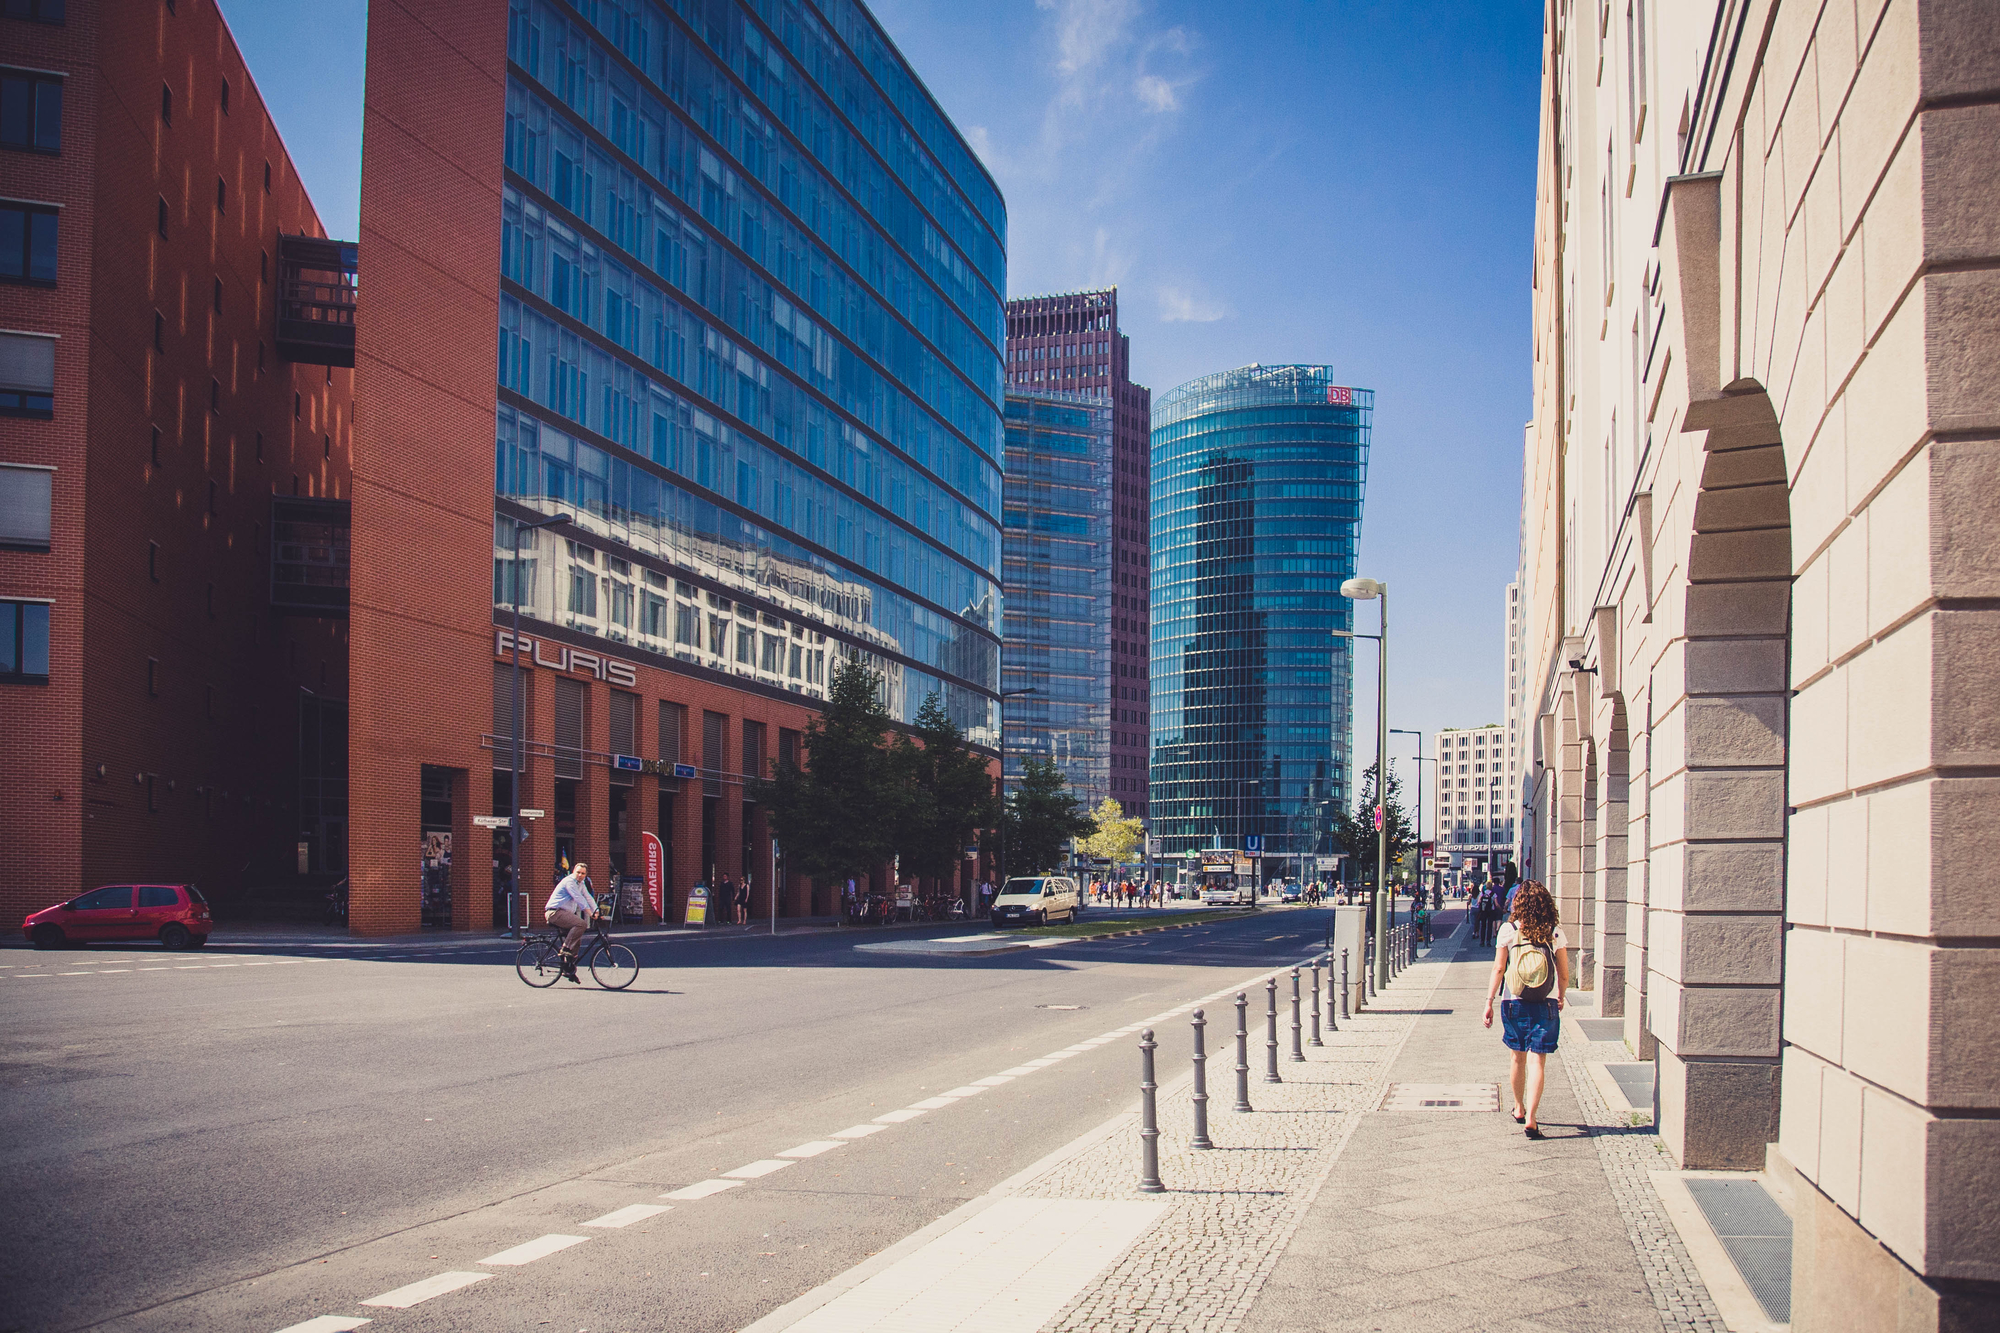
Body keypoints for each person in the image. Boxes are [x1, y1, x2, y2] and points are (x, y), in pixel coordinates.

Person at [1482, 879, 1569, 1137]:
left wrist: (1489, 1002)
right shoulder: (1554, 932)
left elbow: (1499, 968)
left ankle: (1519, 1108)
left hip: (1514, 1000)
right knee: (1537, 1060)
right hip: (1546, 1000)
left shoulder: (1508, 930)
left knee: (1517, 1056)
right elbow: (1563, 973)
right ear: (1545, 904)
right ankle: (1532, 1117)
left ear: (1518, 902)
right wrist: (1561, 995)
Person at [545, 862, 597, 983]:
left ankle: (568, 969)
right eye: (578, 872)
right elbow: (579, 898)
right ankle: (565, 949)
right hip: (555, 912)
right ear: (573, 871)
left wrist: (596, 910)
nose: (580, 875)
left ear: (586, 875)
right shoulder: (569, 882)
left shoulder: (581, 883)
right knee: (581, 924)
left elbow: (588, 896)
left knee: (577, 939)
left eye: (583, 873)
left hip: (564, 913)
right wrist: (590, 913)